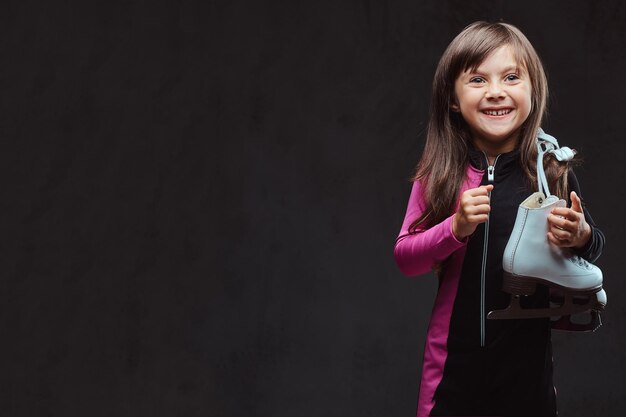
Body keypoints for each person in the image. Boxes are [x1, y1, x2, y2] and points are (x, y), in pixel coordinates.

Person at [393, 21, 605, 417]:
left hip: (527, 369)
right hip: (451, 367)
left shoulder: (551, 170)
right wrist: (454, 228)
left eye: (511, 77)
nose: (495, 92)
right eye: (477, 79)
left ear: (531, 89)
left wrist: (580, 234)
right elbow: (406, 257)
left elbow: (591, 246)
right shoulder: (439, 173)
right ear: (453, 99)